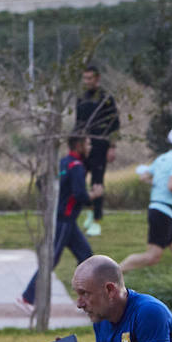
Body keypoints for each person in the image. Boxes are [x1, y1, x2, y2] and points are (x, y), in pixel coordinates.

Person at [17, 134, 102, 312]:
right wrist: (93, 195)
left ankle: (91, 302)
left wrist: (53, 202)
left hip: (66, 221)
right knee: (51, 260)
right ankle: (26, 298)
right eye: (87, 143)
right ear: (78, 145)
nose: (90, 147)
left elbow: (41, 183)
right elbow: (79, 194)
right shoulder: (77, 167)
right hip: (64, 221)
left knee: (86, 257)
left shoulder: (63, 162)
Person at [121, 127, 172, 276]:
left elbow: (143, 177)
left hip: (160, 210)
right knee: (152, 257)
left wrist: (158, 184)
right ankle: (113, 272)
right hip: (164, 212)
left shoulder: (163, 158)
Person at [73, 64, 119, 238]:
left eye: (90, 78)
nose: (87, 82)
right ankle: (88, 211)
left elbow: (115, 124)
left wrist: (112, 146)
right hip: (84, 146)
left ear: (97, 79)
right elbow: (78, 123)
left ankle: (97, 220)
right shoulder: (81, 98)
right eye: (84, 78)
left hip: (101, 145)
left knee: (97, 181)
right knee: (79, 179)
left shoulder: (106, 98)